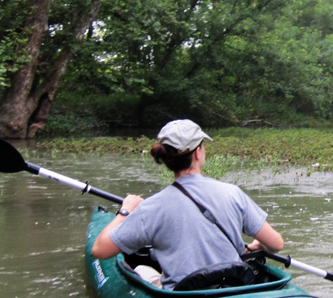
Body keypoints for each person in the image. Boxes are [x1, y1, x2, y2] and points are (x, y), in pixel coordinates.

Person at [91, 119, 284, 289]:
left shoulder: (150, 208)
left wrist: (125, 210)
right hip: (231, 287)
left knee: (141, 268)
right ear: (197, 153)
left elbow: (100, 250)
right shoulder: (232, 193)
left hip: (183, 296)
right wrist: (256, 246)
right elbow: (276, 244)